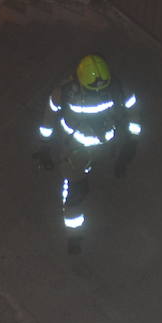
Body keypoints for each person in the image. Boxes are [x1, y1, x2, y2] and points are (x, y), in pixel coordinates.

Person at [33, 54, 141, 254]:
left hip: (94, 150)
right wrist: (44, 148)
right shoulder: (65, 93)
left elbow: (133, 113)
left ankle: (75, 235)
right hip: (83, 152)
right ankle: (75, 237)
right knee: (73, 197)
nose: (99, 93)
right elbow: (47, 122)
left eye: (102, 89)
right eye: (94, 89)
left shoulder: (115, 89)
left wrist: (130, 145)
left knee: (74, 193)